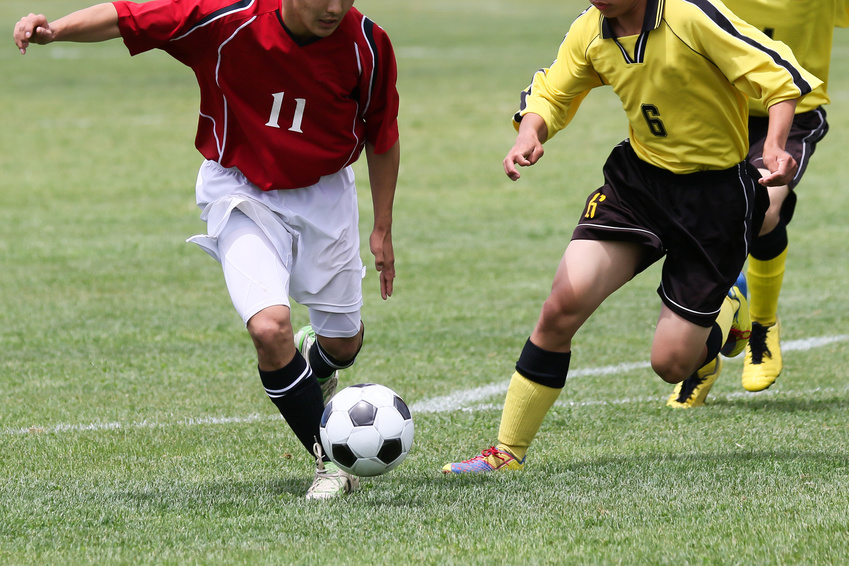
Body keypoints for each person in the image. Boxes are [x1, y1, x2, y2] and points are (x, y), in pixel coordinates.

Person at [13, 0, 400, 499]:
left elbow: (382, 134)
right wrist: (55, 30)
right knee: (269, 328)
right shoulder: (226, 18)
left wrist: (383, 226)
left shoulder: (369, 44)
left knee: (344, 343)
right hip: (239, 191)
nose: (332, 8)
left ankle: (315, 365)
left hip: (325, 195)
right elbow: (128, 16)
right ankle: (329, 461)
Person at [442, 0, 820, 473]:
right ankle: (507, 452)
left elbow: (778, 77)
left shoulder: (689, 15)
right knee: (562, 306)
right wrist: (530, 132)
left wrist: (775, 145)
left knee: (671, 365)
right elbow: (553, 91)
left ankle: (730, 312)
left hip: (715, 200)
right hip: (639, 187)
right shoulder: (591, 29)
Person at [668, 0, 849, 406]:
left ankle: (761, 323)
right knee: (695, 224)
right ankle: (705, 352)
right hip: (715, 109)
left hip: (792, 111)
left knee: (764, 209)